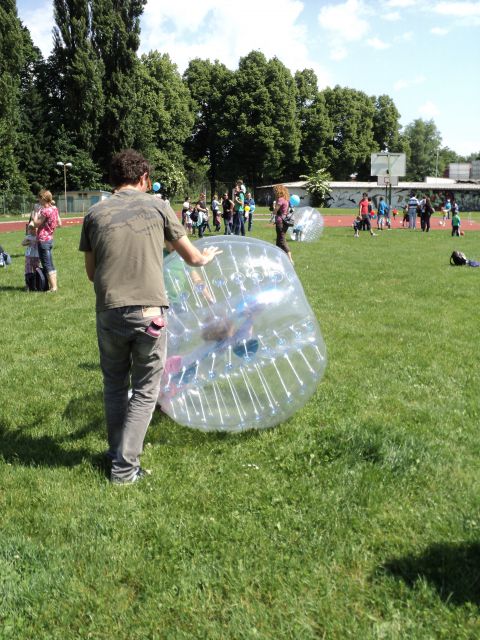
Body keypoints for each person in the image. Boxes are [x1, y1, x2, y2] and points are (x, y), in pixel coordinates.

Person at [79, 149, 221, 485]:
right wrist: (206, 256)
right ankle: (125, 469)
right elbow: (193, 258)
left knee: (115, 386)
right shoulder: (158, 206)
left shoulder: (94, 213)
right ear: (144, 178)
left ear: (113, 179)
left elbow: (90, 273)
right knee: (145, 390)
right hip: (149, 314)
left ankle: (116, 455)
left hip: (109, 312)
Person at [31, 189, 61, 291]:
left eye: (39, 199)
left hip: (43, 240)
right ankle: (53, 286)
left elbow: (36, 223)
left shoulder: (45, 211)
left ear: (43, 199)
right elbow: (58, 223)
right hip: (49, 238)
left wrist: (35, 212)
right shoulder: (54, 209)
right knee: (50, 263)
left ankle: (53, 287)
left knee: (47, 264)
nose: (39, 201)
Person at [273, 184, 294, 265]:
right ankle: (278, 258)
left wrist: (274, 209)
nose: (274, 192)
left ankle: (290, 259)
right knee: (278, 240)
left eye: (275, 190)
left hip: (280, 221)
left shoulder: (280, 199)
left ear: (279, 191)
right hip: (284, 221)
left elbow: (275, 211)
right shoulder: (286, 199)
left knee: (282, 240)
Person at [22, 223, 40, 290]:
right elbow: (22, 243)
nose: (32, 231)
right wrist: (28, 242)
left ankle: (36, 284)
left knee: (37, 269)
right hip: (29, 256)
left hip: (37, 256)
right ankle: (28, 285)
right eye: (30, 229)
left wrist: (38, 241)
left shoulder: (39, 236)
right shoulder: (28, 237)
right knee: (28, 269)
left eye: (34, 229)